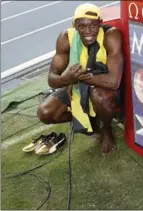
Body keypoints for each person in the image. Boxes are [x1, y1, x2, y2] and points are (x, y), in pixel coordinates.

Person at [37, 3, 124, 154]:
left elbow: (113, 81)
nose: (88, 31)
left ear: (100, 23)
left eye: (93, 26)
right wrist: (68, 79)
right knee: (45, 112)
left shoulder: (111, 35)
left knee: (100, 97)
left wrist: (75, 78)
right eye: (82, 27)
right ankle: (93, 123)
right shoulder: (66, 37)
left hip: (103, 87)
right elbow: (52, 78)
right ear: (74, 25)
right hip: (77, 84)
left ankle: (107, 131)